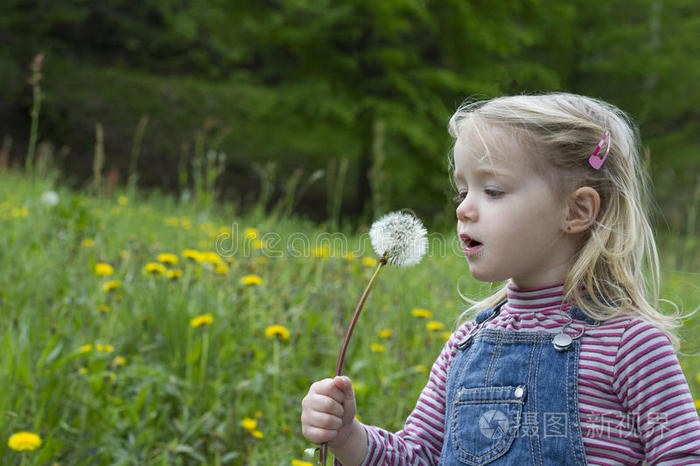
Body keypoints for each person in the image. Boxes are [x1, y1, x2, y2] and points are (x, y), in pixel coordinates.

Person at [301, 93, 700, 465]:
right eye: (462, 191)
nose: (464, 210)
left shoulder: (630, 347)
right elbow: (418, 455)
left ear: (576, 211)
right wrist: (347, 435)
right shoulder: (466, 345)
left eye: (492, 190)